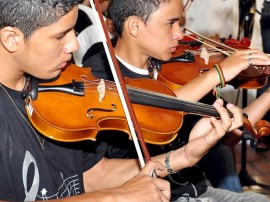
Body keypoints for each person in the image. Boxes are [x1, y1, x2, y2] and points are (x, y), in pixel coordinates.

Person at [0, 0, 258, 201]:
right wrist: (117, 197)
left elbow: (93, 176)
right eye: (60, 35)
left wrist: (185, 156)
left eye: (73, 30)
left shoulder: (60, 87)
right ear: (12, 38)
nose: (74, 44)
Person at [82, 0, 270, 201]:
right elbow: (155, 110)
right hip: (154, 194)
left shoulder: (175, 72)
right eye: (170, 23)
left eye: (179, 24)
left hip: (194, 189)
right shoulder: (100, 73)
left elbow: (234, 134)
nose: (180, 34)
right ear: (135, 26)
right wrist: (218, 73)